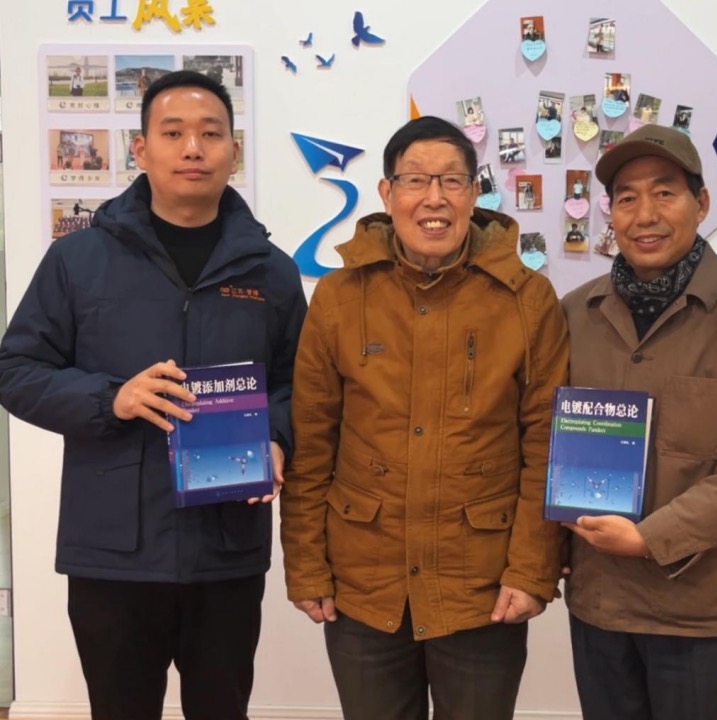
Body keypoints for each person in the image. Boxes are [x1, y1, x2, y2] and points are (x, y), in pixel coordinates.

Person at [0, 70, 306, 720]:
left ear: (233, 151)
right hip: (112, 551)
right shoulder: (78, 261)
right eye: (173, 133)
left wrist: (278, 439)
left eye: (210, 134)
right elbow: (16, 370)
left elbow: (296, 383)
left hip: (225, 547)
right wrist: (112, 399)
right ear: (140, 149)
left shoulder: (271, 272)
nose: (193, 148)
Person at [280, 115, 569, 720]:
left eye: (451, 181)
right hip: (365, 584)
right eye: (415, 180)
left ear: (474, 194)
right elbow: (312, 441)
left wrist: (532, 569)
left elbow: (548, 446)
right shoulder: (340, 297)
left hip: (481, 588)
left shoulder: (526, 299)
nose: (434, 198)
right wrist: (305, 565)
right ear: (387, 194)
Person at [561, 124, 717, 720]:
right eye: (627, 197)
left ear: (702, 203)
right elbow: (544, 441)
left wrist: (651, 537)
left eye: (665, 192)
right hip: (599, 605)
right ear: (611, 214)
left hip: (701, 613)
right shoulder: (574, 315)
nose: (645, 214)